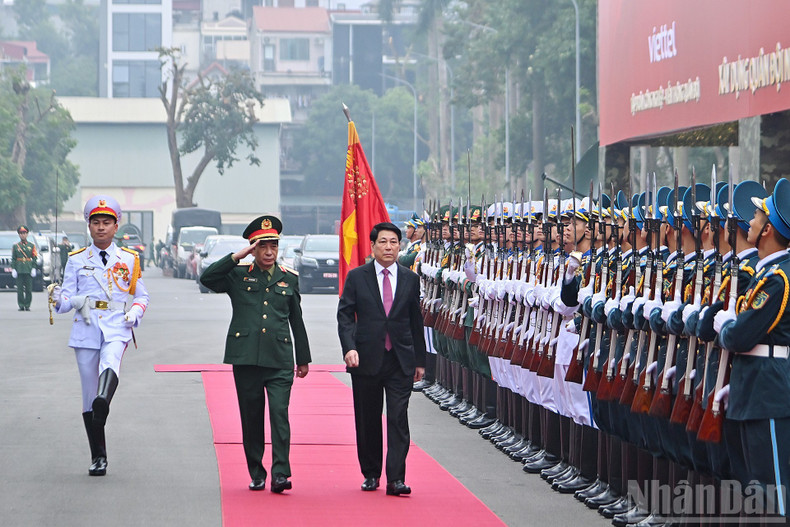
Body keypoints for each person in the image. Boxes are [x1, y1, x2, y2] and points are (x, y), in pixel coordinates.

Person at [200, 215, 310, 493]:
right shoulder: (238, 276)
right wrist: (238, 256)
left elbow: (296, 319)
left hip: (280, 358)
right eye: (263, 246)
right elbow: (207, 278)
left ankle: (281, 473)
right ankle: (256, 471)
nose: (270, 252)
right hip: (246, 358)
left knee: (279, 414)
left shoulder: (289, 279)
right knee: (251, 417)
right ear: (253, 248)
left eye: (273, 245)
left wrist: (303, 358)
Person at [49, 196, 149, 476]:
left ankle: (104, 400)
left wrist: (135, 313)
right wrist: (58, 299)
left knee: (111, 362)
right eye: (96, 223)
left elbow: (141, 295)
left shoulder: (128, 259)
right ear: (89, 226)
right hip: (86, 326)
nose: (101, 227)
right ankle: (98, 456)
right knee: (87, 395)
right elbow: (67, 300)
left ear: (116, 226)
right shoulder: (76, 259)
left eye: (107, 222)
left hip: (117, 324)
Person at [337, 222, 427, 496]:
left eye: (394, 242)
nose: (389, 247)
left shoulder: (410, 278)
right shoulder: (357, 277)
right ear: (373, 246)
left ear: (400, 246)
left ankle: (396, 478)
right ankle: (371, 473)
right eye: (383, 242)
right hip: (366, 358)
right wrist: (349, 347)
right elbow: (345, 316)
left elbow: (415, 321)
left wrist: (420, 361)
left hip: (400, 359)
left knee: (398, 418)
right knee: (368, 419)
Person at [11, 225, 38, 311]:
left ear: (27, 234)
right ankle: (21, 305)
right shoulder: (16, 246)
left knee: (28, 289)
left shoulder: (31, 245)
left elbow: (34, 257)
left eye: (24, 233)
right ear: (19, 235)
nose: (23, 235)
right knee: (19, 289)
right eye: (21, 233)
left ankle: (27, 305)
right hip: (19, 269)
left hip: (28, 269)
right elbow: (13, 258)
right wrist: (13, 268)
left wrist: (33, 267)